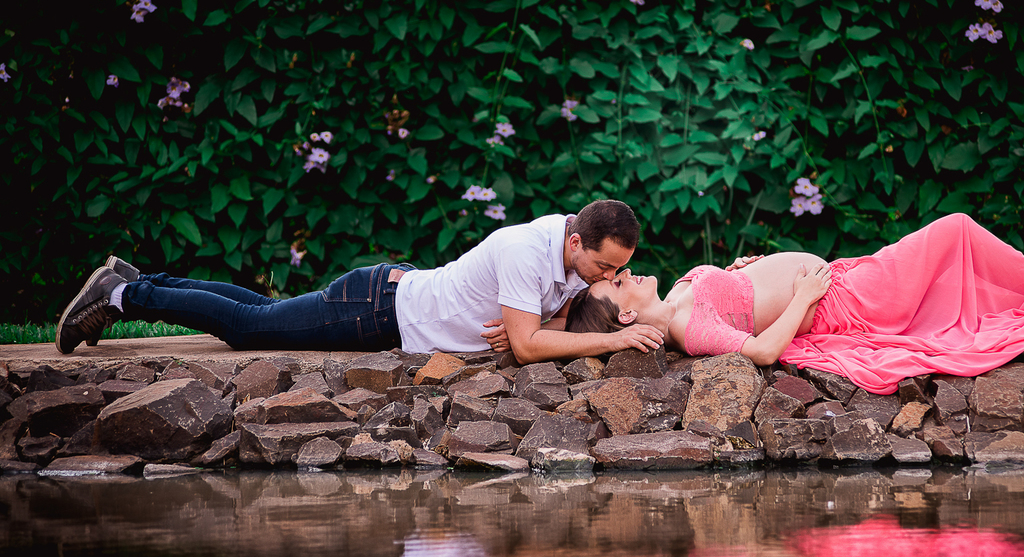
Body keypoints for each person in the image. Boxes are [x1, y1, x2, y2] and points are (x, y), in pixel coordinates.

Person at [564, 213, 1024, 394]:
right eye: (617, 281)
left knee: (961, 268)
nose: (627, 271)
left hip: (845, 280)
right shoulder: (693, 331)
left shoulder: (679, 295)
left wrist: (741, 271)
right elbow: (764, 352)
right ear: (624, 316)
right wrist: (802, 291)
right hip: (846, 304)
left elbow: (739, 292)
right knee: (956, 231)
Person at [56, 199, 666, 362]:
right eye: (605, 267)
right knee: (249, 329)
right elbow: (531, 345)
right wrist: (607, 340)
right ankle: (121, 295)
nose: (610, 278)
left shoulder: (570, 262)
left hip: (387, 300)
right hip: (377, 308)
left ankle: (141, 279)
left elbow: (534, 331)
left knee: (262, 311)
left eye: (618, 271)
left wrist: (524, 330)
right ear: (576, 240)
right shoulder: (526, 250)